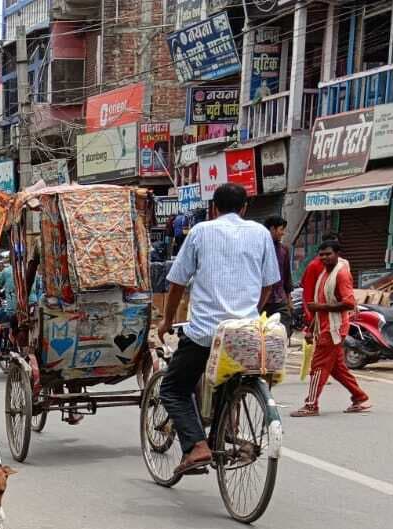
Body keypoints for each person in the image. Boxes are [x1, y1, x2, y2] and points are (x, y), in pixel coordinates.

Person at [156, 182, 280, 476]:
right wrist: (248, 312)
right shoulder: (261, 233)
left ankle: (197, 446)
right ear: (245, 208)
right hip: (246, 332)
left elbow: (177, 283)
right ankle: (225, 429)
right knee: (230, 379)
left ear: (213, 207)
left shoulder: (201, 231)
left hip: (205, 333)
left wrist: (167, 320)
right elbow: (268, 284)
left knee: (172, 389)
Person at [295, 236, 371, 415]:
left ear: (337, 254)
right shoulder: (325, 273)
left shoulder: (341, 274)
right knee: (337, 368)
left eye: (328, 254)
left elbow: (349, 303)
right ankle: (359, 396)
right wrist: (311, 327)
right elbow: (318, 304)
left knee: (318, 366)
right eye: (321, 254)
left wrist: (320, 307)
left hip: (333, 329)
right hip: (324, 326)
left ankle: (311, 405)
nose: (324, 257)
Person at [263, 216, 294, 330]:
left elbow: (286, 276)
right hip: (262, 302)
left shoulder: (284, 250)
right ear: (272, 229)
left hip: (280, 300)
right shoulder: (259, 248)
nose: (283, 233)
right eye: (281, 229)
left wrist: (289, 300)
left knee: (283, 331)